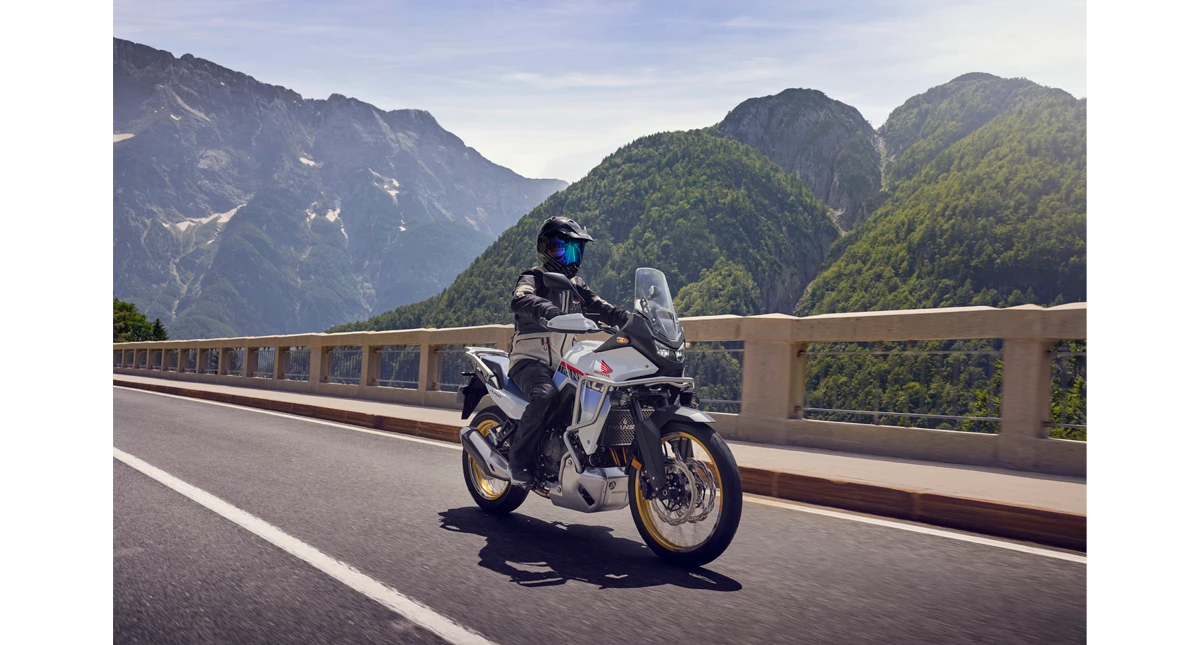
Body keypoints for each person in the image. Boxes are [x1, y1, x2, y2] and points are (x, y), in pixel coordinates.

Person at [506, 216, 631, 486]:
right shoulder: (533, 277)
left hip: (564, 364)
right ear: (545, 248)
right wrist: (548, 310)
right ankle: (518, 462)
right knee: (544, 396)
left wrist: (633, 321)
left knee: (597, 399)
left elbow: (604, 308)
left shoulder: (577, 285)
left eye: (575, 249)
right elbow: (521, 298)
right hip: (529, 361)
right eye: (562, 248)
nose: (568, 256)